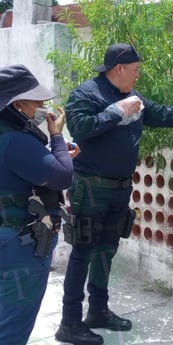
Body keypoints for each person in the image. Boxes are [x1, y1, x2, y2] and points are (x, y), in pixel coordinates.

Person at [55, 42, 173, 345]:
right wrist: (115, 113)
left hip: (120, 189)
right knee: (82, 253)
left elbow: (162, 114)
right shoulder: (86, 93)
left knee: (107, 251)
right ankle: (69, 323)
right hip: (91, 187)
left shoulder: (133, 97)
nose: (137, 76)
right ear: (118, 69)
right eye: (134, 71)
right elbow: (80, 128)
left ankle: (98, 310)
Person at [0, 64, 74, 345]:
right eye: (36, 102)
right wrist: (56, 135)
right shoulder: (15, 141)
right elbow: (62, 176)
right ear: (17, 104)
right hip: (19, 248)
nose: (42, 107)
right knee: (13, 329)